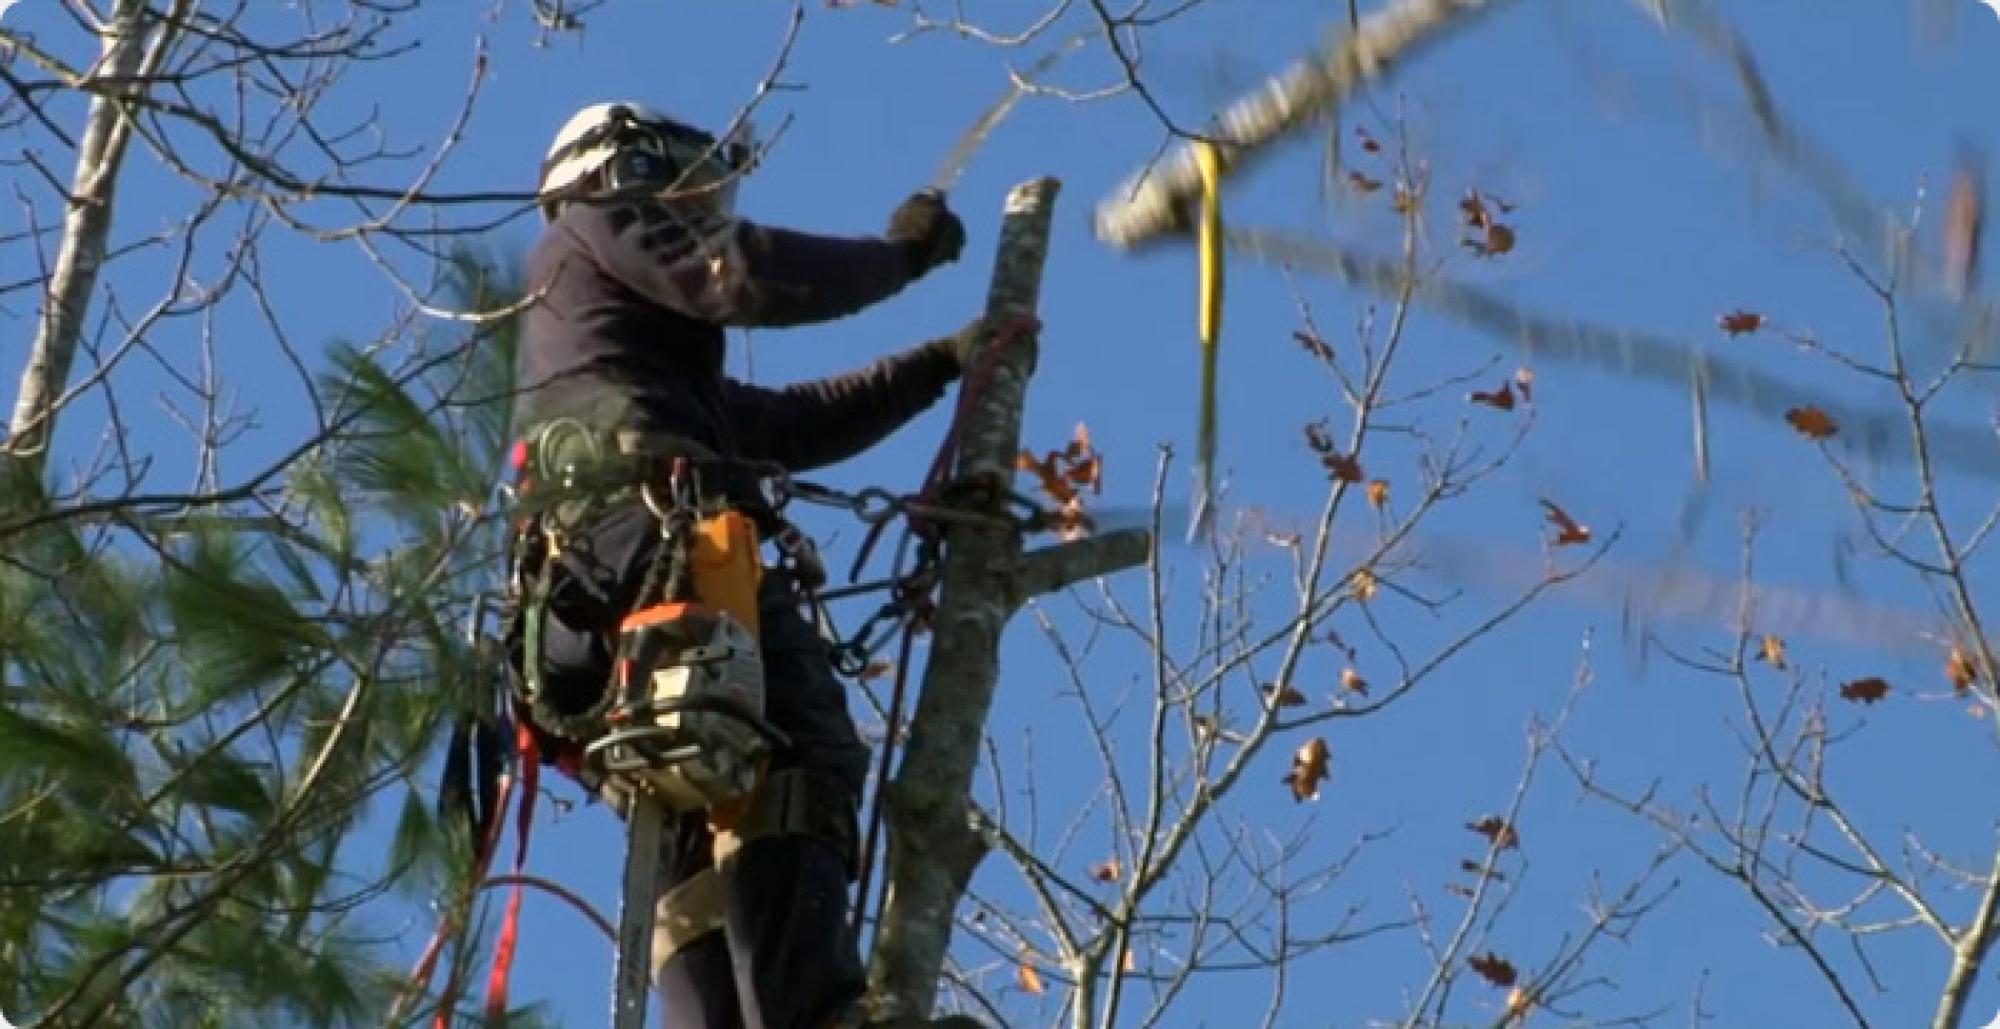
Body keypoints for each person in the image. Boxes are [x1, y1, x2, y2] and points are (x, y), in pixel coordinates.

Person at [508, 101, 981, 1029]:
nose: (694, 213)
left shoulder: (618, 355)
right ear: (619, 174)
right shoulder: (594, 229)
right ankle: (816, 1014)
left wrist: (938, 365)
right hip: (650, 543)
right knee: (797, 747)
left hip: (583, 599)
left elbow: (781, 423)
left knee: (701, 807)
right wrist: (901, 258)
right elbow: (739, 271)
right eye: (682, 190)